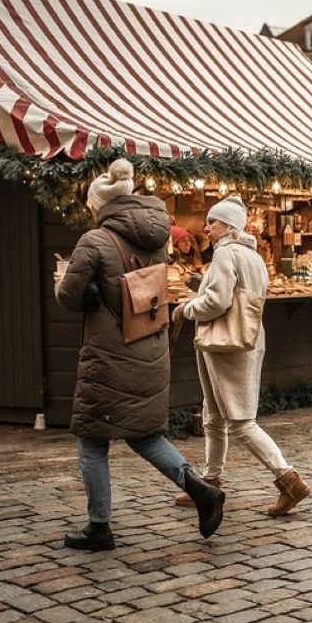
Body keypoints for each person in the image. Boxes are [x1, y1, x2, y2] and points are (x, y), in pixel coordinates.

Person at [54, 158, 224, 551]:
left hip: (110, 355)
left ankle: (100, 527)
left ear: (100, 205)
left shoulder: (94, 242)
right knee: (144, 436)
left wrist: (71, 283)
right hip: (149, 349)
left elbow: (68, 298)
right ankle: (200, 489)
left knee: (93, 440)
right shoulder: (157, 241)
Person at [171, 195, 311, 517]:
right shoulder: (254, 256)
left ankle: (289, 479)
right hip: (244, 339)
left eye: (213, 222)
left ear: (229, 225)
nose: (207, 228)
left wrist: (185, 309)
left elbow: (217, 302)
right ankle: (208, 484)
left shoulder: (225, 254)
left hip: (225, 344)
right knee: (213, 417)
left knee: (240, 421)